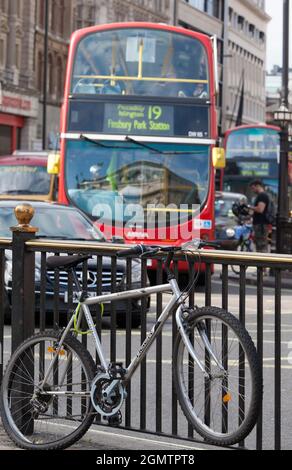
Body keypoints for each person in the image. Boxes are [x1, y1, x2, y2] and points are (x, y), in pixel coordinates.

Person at [248, 180, 271, 254]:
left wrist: (249, 207)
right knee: (259, 244)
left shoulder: (262, 196)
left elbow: (260, 209)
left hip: (261, 225)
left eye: (253, 188)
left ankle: (262, 263)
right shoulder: (262, 195)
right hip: (260, 224)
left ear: (258, 186)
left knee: (261, 245)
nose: (253, 190)